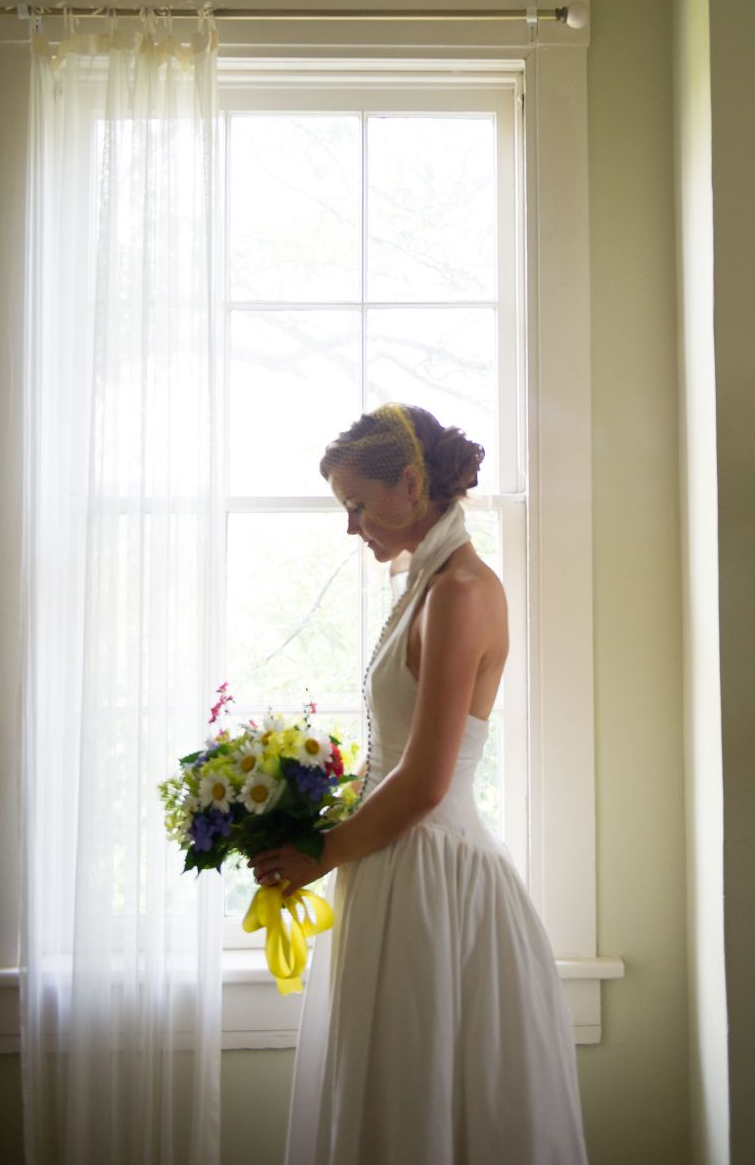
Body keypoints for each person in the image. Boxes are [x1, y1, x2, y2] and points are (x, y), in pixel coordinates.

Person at [248, 403, 589, 1165]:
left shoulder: (461, 592)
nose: (352, 525)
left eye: (357, 504)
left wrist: (321, 852)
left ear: (410, 482)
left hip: (434, 876)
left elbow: (428, 780)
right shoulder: (425, 585)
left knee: (430, 1096)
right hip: (392, 864)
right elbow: (390, 755)